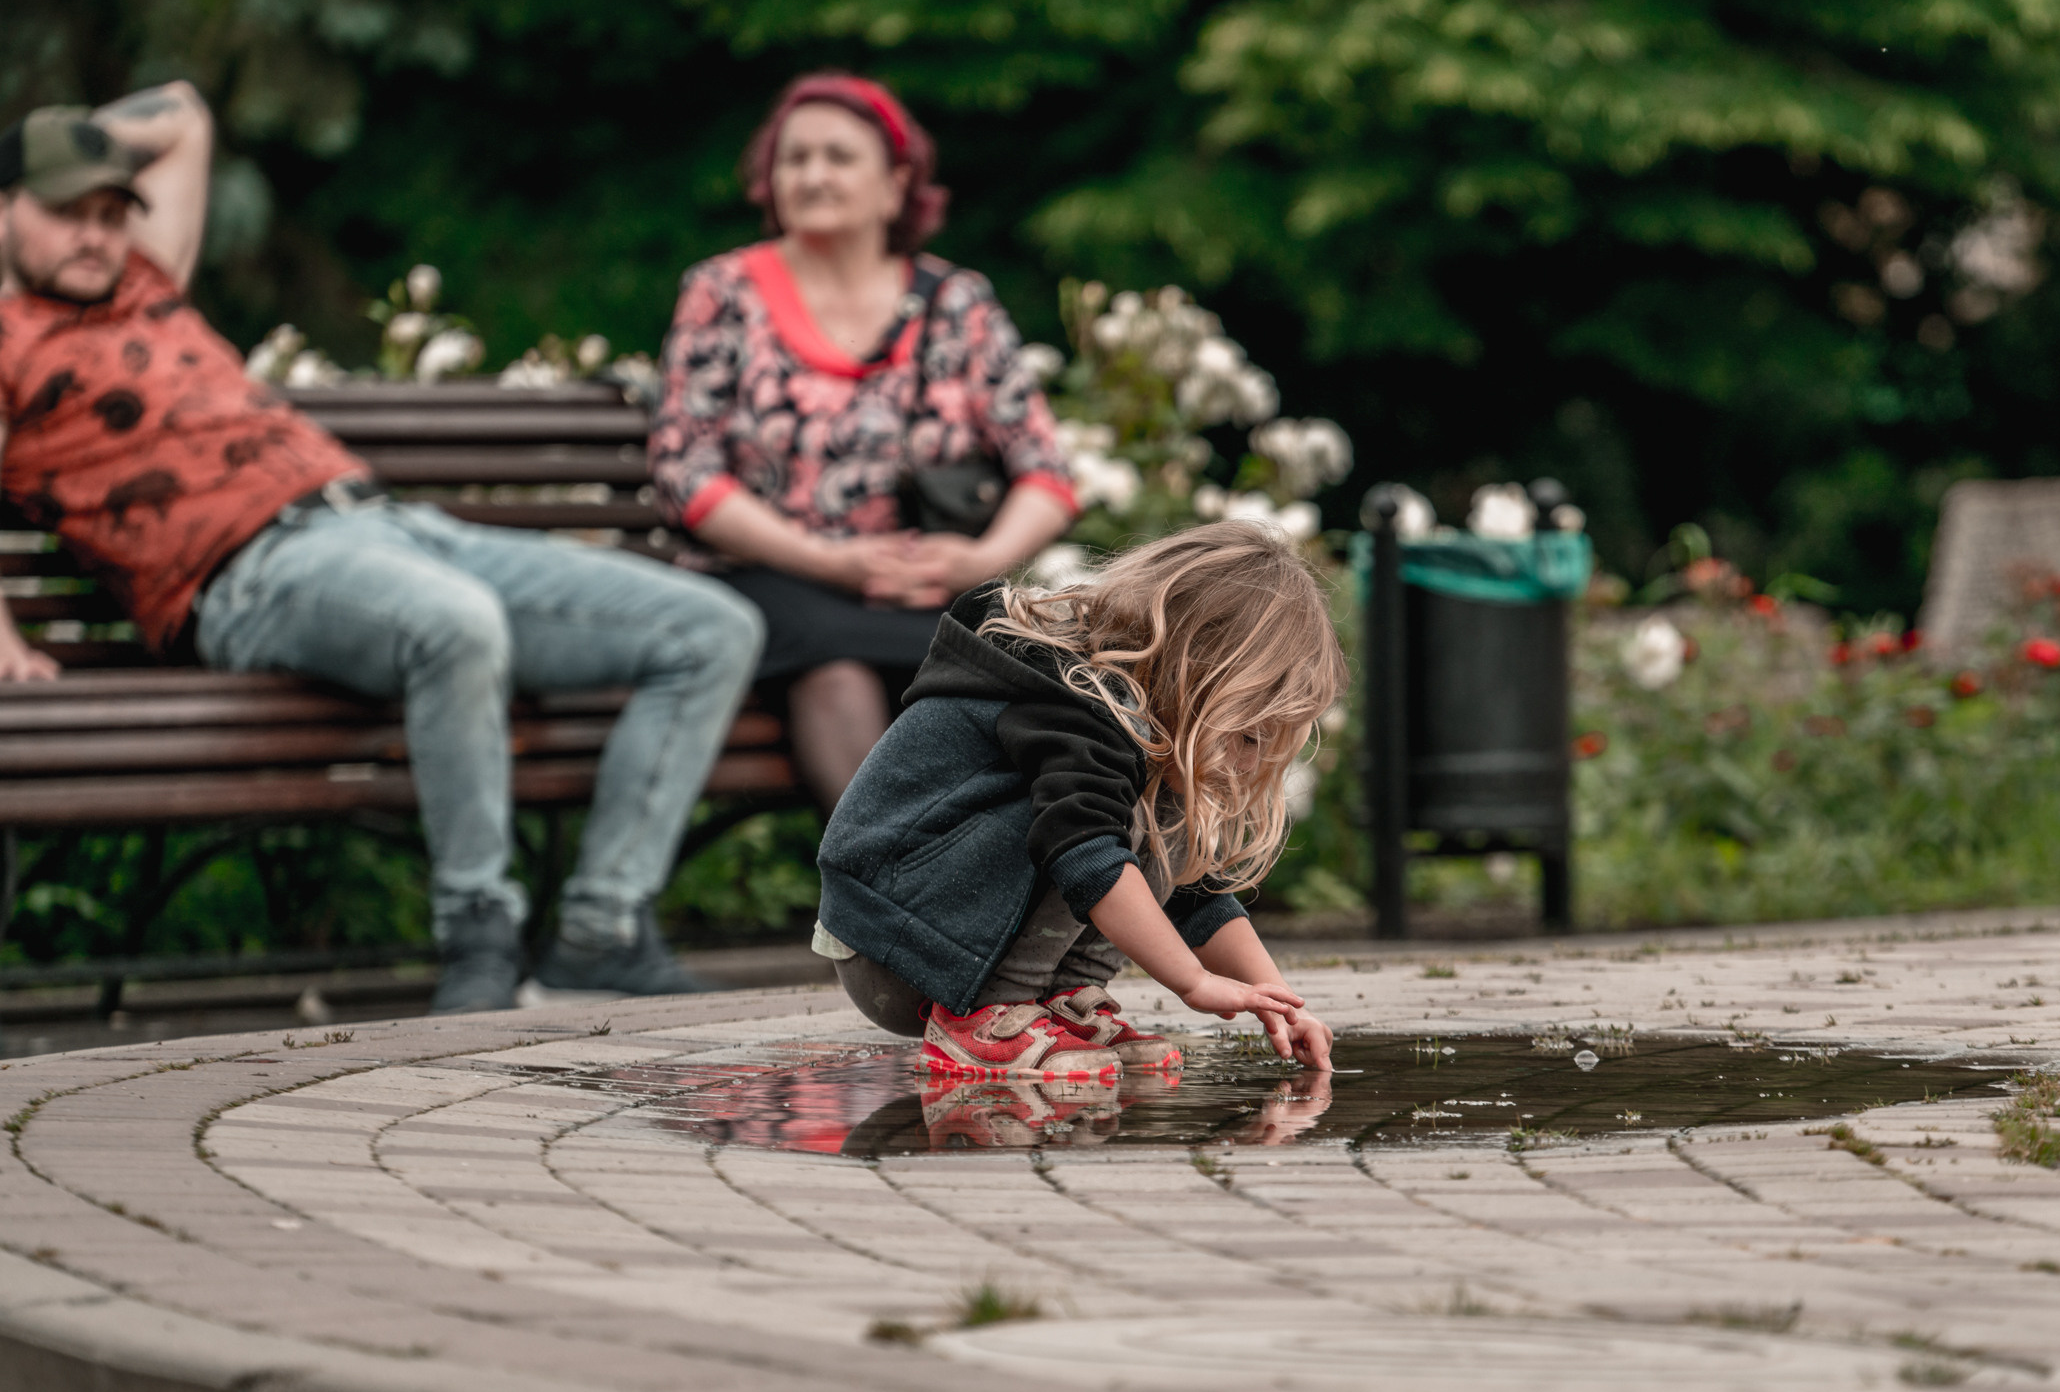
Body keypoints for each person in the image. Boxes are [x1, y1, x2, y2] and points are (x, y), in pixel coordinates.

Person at [0, 85, 765, 1014]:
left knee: (710, 629)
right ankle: (477, 931)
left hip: (388, 527)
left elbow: (188, 117)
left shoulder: (147, 279)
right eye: (64, 210)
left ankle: (599, 930)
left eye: (110, 212)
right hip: (244, 576)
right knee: (455, 624)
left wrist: (72, 148)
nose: (95, 235)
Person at [648, 72, 1078, 814]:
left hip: (925, 582)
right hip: (772, 575)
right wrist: (826, 561)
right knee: (834, 665)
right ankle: (904, 897)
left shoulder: (956, 303)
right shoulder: (724, 292)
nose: (812, 175)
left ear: (895, 184)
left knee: (1018, 675)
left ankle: (1044, 893)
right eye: (794, 158)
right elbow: (686, 473)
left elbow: (1044, 471)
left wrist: (977, 560)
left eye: (838, 157)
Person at [812, 521, 1343, 1080]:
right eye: (1249, 739)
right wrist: (1193, 981)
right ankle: (987, 1020)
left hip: (948, 943)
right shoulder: (1075, 705)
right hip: (893, 947)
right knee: (1082, 834)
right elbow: (1085, 851)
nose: (1250, 767)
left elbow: (1188, 894)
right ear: (1196, 675)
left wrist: (1277, 1001)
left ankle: (1057, 1005)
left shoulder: (1138, 737)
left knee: (1161, 819)